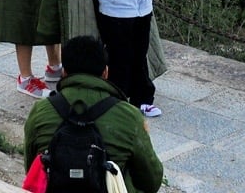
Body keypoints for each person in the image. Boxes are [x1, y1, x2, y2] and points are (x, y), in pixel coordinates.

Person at [21, 36, 165, 193]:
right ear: (105, 72)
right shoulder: (129, 116)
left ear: (64, 72)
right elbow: (152, 181)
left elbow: (31, 168)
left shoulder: (41, 111)